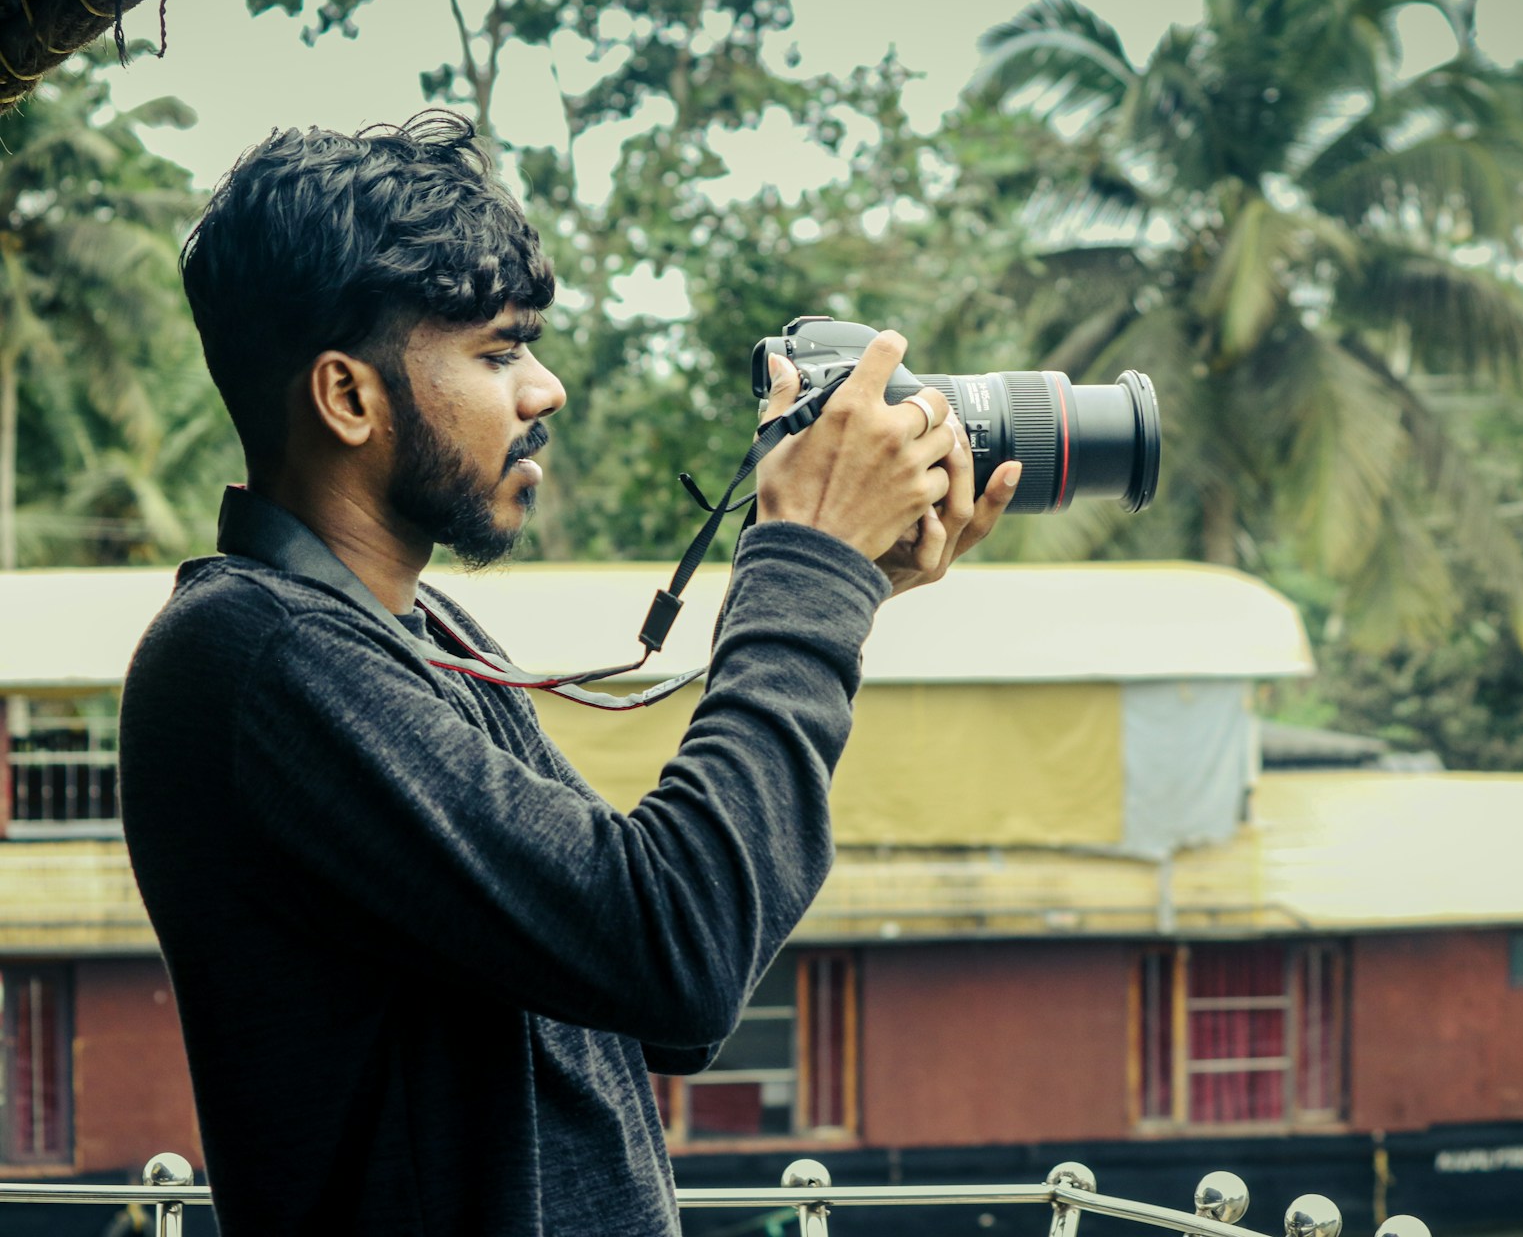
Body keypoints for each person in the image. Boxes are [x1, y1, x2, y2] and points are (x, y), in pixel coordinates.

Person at [117, 111, 1020, 1236]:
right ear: (348, 396)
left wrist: (847, 586)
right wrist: (809, 572)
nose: (544, 390)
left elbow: (676, 1002)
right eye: (498, 352)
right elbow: (674, 947)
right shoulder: (257, 656)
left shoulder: (420, 632)